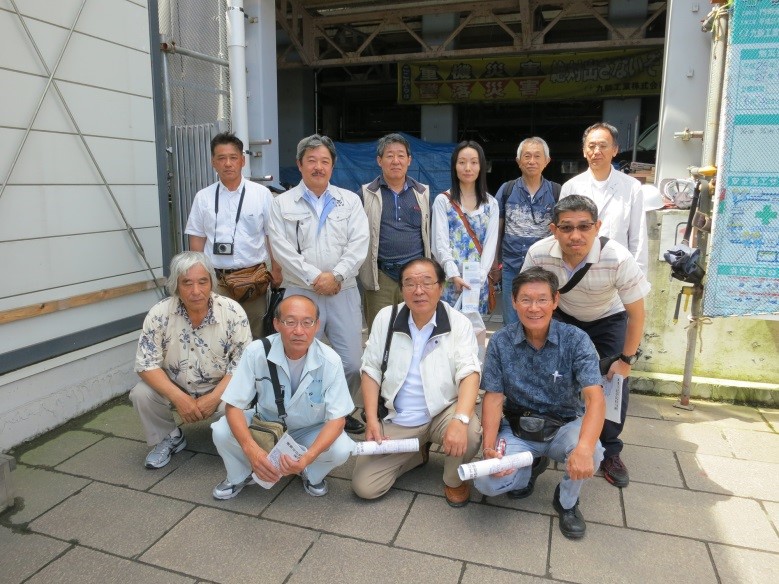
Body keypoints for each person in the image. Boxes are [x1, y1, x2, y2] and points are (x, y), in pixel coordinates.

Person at [522, 195, 650, 488]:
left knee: (612, 382)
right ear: (554, 229)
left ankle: (610, 450)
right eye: (566, 228)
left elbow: (636, 315)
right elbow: (530, 299)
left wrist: (626, 360)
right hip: (564, 316)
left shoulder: (618, 257)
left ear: (598, 227)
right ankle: (539, 442)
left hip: (608, 318)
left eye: (584, 226)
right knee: (547, 375)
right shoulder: (538, 253)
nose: (575, 235)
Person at [474, 267, 605, 539]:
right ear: (513, 301)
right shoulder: (500, 341)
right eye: (526, 299)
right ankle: (528, 466)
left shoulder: (576, 340)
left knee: (592, 452)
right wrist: (489, 447)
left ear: (555, 301)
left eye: (542, 299)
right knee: (486, 480)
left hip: (564, 425)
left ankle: (567, 502)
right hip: (517, 427)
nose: (534, 308)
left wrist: (583, 446)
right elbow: (494, 397)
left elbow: (595, 398)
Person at [352, 258, 482, 507]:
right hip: (399, 416)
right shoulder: (386, 318)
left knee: (470, 432)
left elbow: (469, 373)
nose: (418, 290)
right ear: (401, 290)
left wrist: (461, 419)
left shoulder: (458, 323)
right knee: (365, 487)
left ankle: (454, 479)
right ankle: (416, 451)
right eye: (409, 284)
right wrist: (370, 419)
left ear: (440, 287)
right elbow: (370, 370)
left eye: (426, 283)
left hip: (443, 410)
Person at [269, 134, 369, 435]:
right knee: (299, 355)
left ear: (332, 166)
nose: (318, 167)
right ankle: (304, 413)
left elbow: (359, 243)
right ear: (299, 165)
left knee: (351, 361)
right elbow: (281, 247)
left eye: (324, 161)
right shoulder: (282, 203)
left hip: (343, 290)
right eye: (311, 160)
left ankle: (343, 409)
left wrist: (336, 275)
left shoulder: (349, 201)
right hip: (300, 290)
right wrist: (315, 278)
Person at [211, 295, 355, 499]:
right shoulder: (256, 352)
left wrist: (308, 457)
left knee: (341, 449)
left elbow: (338, 419)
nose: (299, 331)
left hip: (310, 428)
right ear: (277, 324)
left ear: (316, 326)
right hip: (266, 423)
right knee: (221, 430)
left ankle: (309, 472)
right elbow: (233, 405)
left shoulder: (330, 360)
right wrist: (252, 451)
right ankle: (240, 475)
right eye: (290, 322)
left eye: (307, 322)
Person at [130, 251, 251, 469]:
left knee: (238, 402)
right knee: (142, 393)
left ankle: (233, 442)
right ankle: (169, 438)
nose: (196, 291)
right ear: (176, 285)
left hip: (220, 388)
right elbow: (146, 364)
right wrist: (179, 398)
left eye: (203, 282)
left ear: (212, 282)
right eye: (187, 283)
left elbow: (242, 365)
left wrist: (214, 398)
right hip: (176, 385)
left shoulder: (232, 312)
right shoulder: (160, 313)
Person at [185, 132, 280, 338]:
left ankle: (254, 372)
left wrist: (277, 271)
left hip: (254, 280)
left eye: (233, 157)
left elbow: (272, 236)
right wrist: (198, 278)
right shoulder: (203, 197)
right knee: (217, 335)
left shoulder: (261, 194)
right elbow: (197, 240)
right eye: (221, 158)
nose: (227, 163)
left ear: (242, 161)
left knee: (255, 336)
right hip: (217, 281)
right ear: (213, 162)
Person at [359, 133, 432, 329]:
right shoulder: (366, 193)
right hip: (380, 275)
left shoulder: (423, 193)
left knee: (417, 330)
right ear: (379, 160)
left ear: (409, 160)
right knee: (380, 333)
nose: (395, 161)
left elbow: (429, 233)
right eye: (389, 156)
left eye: (401, 155)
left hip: (415, 276)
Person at [432, 140, 499, 353]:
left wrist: (478, 277)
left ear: (481, 166)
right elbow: (439, 244)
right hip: (449, 282)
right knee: (446, 333)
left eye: (473, 162)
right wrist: (453, 275)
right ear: (454, 166)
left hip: (475, 284)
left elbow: (490, 245)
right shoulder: (443, 201)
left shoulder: (491, 203)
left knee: (474, 333)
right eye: (462, 162)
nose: (468, 168)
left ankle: (472, 378)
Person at [560, 122, 648, 273]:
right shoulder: (570, 187)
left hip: (617, 270)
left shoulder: (632, 187)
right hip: (578, 270)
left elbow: (638, 237)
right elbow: (563, 234)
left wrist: (638, 276)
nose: (596, 151)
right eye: (591, 146)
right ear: (583, 151)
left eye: (603, 145)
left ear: (615, 150)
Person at [492, 137, 560, 326]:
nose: (532, 161)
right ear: (518, 161)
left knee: (543, 319)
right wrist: (495, 263)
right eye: (527, 156)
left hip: (545, 268)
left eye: (537, 156)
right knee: (511, 321)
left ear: (547, 161)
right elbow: (496, 230)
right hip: (511, 267)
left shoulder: (556, 191)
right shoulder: (507, 190)